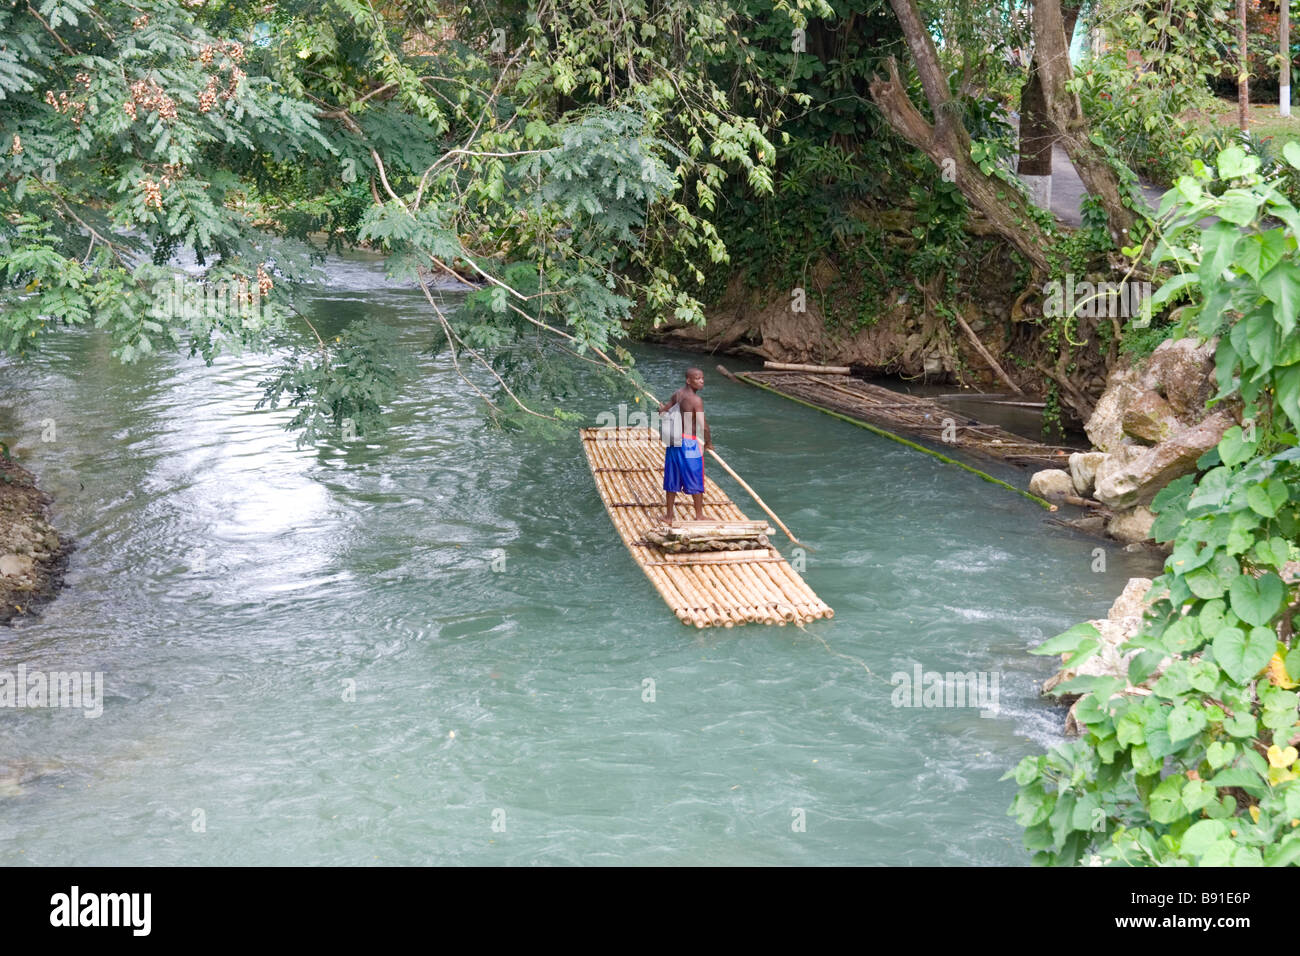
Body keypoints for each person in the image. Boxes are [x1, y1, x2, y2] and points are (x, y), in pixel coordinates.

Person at [659, 367, 713, 524]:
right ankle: (699, 515)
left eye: (702, 378)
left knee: (672, 476)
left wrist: (661, 409)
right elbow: (704, 426)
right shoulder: (696, 400)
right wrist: (708, 442)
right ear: (688, 380)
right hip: (688, 442)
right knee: (696, 475)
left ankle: (669, 516)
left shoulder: (678, 394)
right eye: (697, 378)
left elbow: (664, 411)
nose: (701, 381)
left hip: (674, 440)